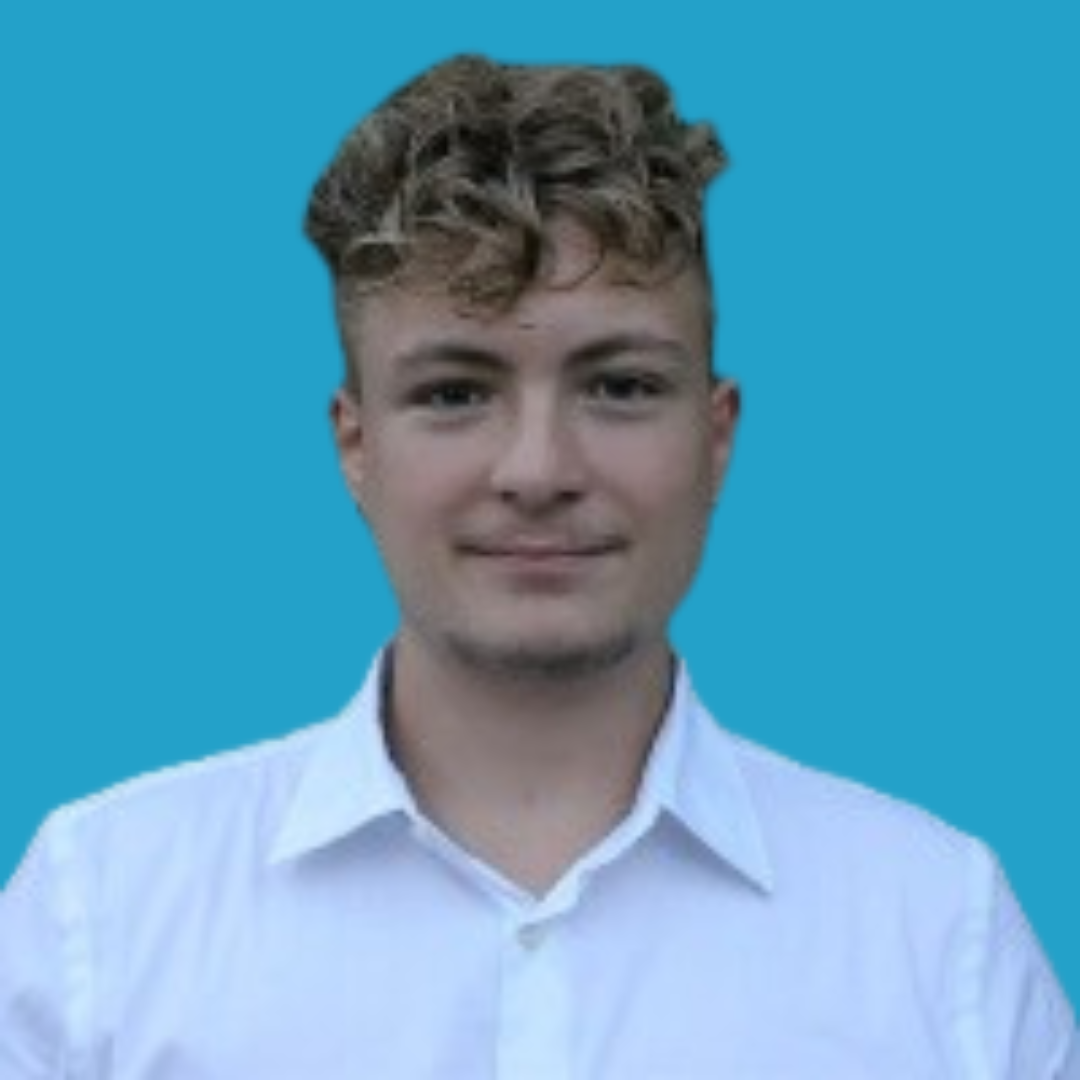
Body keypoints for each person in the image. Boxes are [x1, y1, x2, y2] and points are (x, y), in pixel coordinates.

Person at [1, 54, 1075, 1079]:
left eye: (619, 386)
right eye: (456, 392)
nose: (539, 470)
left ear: (717, 436)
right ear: (354, 443)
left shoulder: (938, 936)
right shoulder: (101, 912)